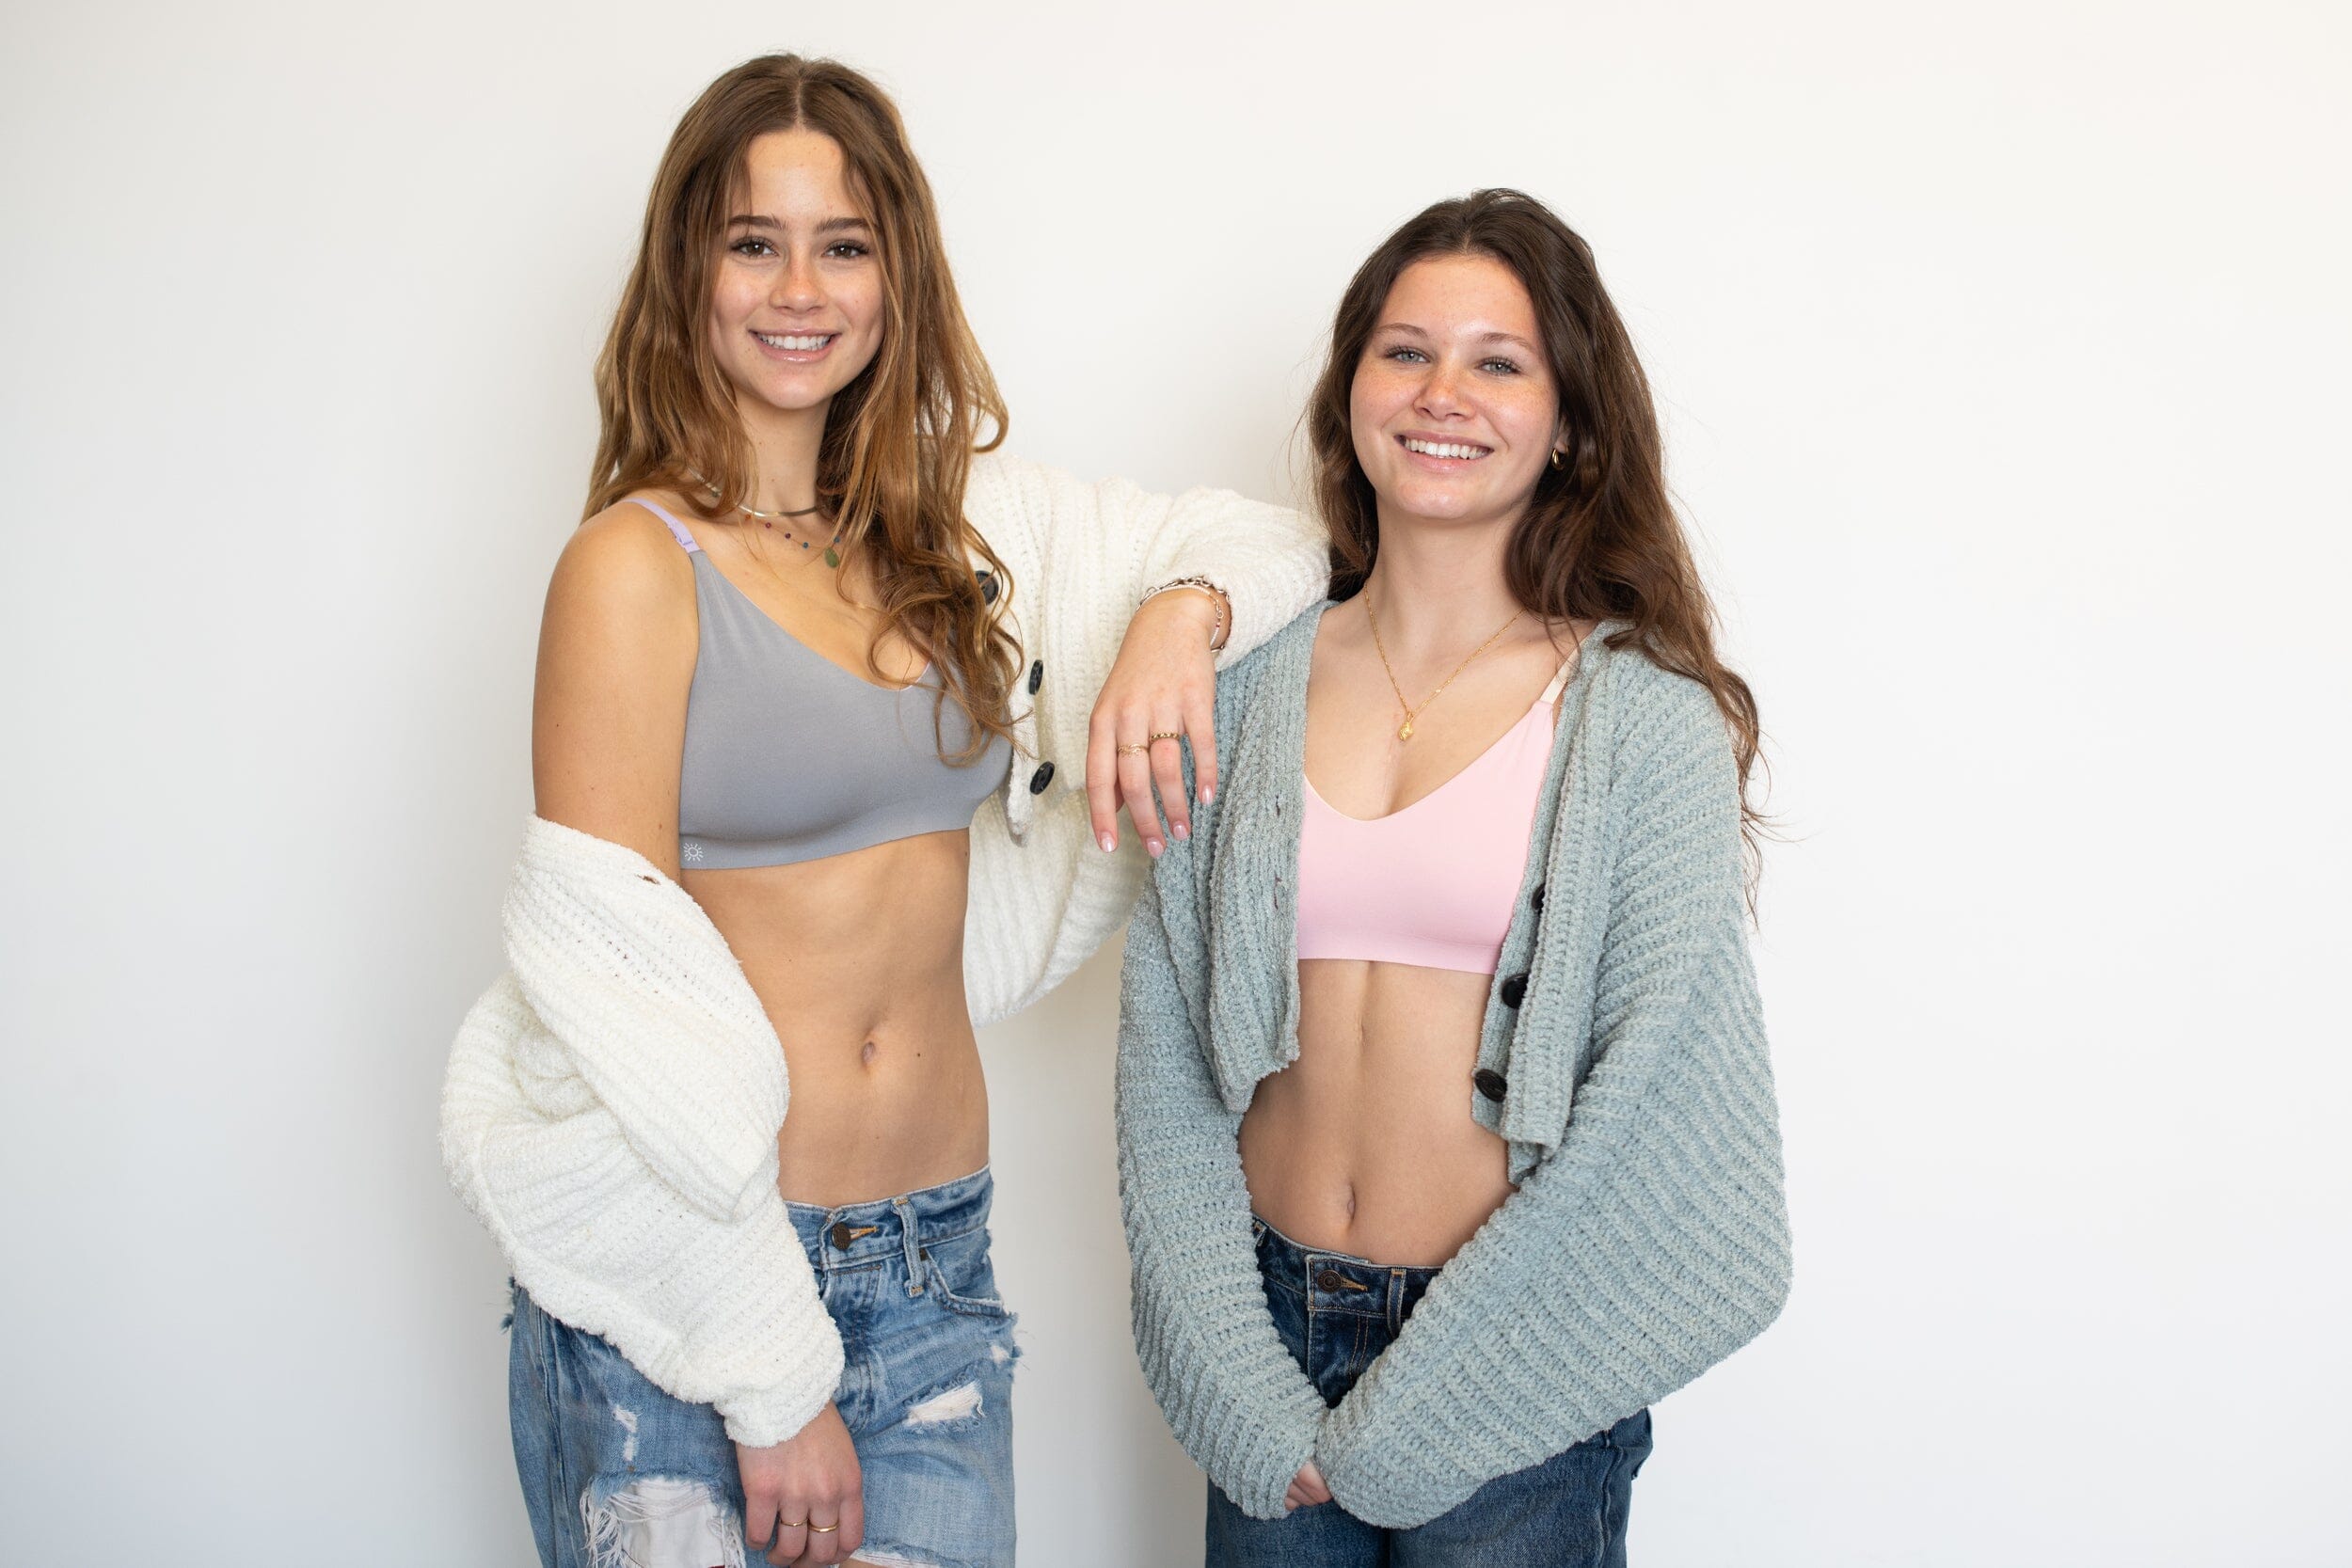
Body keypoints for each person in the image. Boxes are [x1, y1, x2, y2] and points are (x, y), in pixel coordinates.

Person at [439, 55, 1325, 1568]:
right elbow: (611, 1007)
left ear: (895, 273)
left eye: (843, 244)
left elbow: (1278, 542)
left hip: (933, 1264)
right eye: (752, 242)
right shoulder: (634, 568)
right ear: (688, 273)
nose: (801, 287)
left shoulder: (951, 535)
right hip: (695, 1289)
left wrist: (1176, 619)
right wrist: (772, 1379)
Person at [1116, 188, 1793, 1566]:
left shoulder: (1637, 717)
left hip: (1516, 1380)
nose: (1444, 393)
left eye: (1500, 361)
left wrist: (1432, 1405)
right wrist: (1241, 1386)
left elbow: (1663, 1114)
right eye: (1405, 350)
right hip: (1271, 1349)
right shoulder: (1237, 689)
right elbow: (1165, 1063)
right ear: (1351, 387)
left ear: (1570, 422)